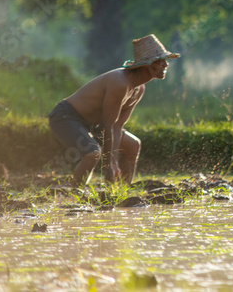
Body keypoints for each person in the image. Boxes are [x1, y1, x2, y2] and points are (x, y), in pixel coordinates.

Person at [48, 35, 179, 186]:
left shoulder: (139, 89)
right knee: (92, 153)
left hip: (94, 124)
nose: (165, 65)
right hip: (67, 117)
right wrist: (109, 164)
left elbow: (117, 126)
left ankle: (121, 191)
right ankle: (76, 191)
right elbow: (108, 126)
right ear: (145, 65)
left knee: (133, 145)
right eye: (159, 61)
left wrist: (113, 162)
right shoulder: (120, 83)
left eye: (165, 61)